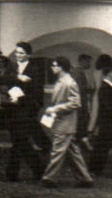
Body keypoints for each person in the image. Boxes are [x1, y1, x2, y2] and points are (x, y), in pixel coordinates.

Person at [39, 56, 94, 188]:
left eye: (54, 65)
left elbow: (75, 103)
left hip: (65, 124)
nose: (52, 67)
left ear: (61, 67)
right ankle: (85, 179)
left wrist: (55, 109)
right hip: (64, 123)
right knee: (73, 152)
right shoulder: (62, 81)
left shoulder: (69, 83)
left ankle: (49, 179)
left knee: (57, 151)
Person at [0, 41, 47, 181]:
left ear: (28, 54)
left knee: (19, 140)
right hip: (12, 109)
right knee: (19, 141)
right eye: (17, 52)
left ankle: (14, 172)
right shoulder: (12, 67)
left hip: (26, 109)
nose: (18, 55)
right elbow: (2, 79)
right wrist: (17, 77)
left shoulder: (35, 69)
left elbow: (37, 92)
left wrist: (24, 100)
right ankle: (37, 169)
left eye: (21, 53)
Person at [86, 54, 112, 177]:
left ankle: (94, 168)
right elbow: (107, 106)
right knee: (102, 145)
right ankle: (94, 168)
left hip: (105, 120)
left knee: (102, 145)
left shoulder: (103, 85)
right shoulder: (105, 87)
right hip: (107, 120)